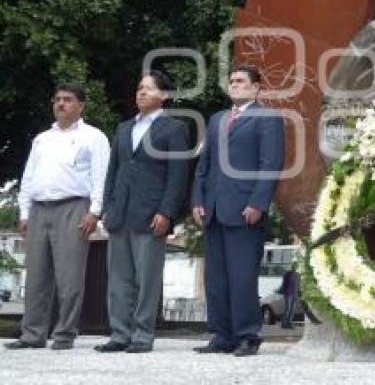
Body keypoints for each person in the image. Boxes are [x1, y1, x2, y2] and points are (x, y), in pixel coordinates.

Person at [5, 83, 110, 350]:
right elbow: (28, 177)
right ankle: (32, 334)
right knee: (36, 275)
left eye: (67, 99)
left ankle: (64, 333)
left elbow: (101, 177)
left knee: (70, 276)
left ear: (81, 105)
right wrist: (24, 212)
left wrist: (94, 212)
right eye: (57, 100)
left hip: (73, 207)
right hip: (39, 208)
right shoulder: (42, 139)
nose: (61, 104)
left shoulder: (93, 137)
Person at [191, 65, 284, 356]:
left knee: (242, 276)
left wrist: (258, 202)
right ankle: (222, 335)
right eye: (232, 81)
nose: (235, 85)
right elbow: (204, 165)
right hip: (213, 209)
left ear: (257, 88)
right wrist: (197, 200)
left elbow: (270, 164)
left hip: (245, 209)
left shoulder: (267, 118)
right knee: (215, 278)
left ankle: (247, 335)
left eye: (241, 81)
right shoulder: (217, 119)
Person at [94, 71, 189, 354]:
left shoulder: (175, 129)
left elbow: (178, 176)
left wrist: (167, 212)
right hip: (119, 213)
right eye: (139, 88)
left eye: (148, 89)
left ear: (164, 96)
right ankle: (119, 334)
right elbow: (113, 172)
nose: (141, 93)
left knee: (146, 279)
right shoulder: (124, 129)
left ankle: (142, 336)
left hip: (151, 214)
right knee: (119, 278)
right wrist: (107, 208)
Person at [279, 264, 300, 329]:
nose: (295, 267)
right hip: (288, 294)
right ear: (292, 266)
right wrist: (283, 291)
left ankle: (289, 323)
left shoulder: (298, 275)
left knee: (292, 309)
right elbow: (283, 284)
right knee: (287, 309)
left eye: (296, 266)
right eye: (294, 266)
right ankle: (284, 324)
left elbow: (299, 284)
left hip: (294, 294)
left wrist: (299, 292)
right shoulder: (287, 274)